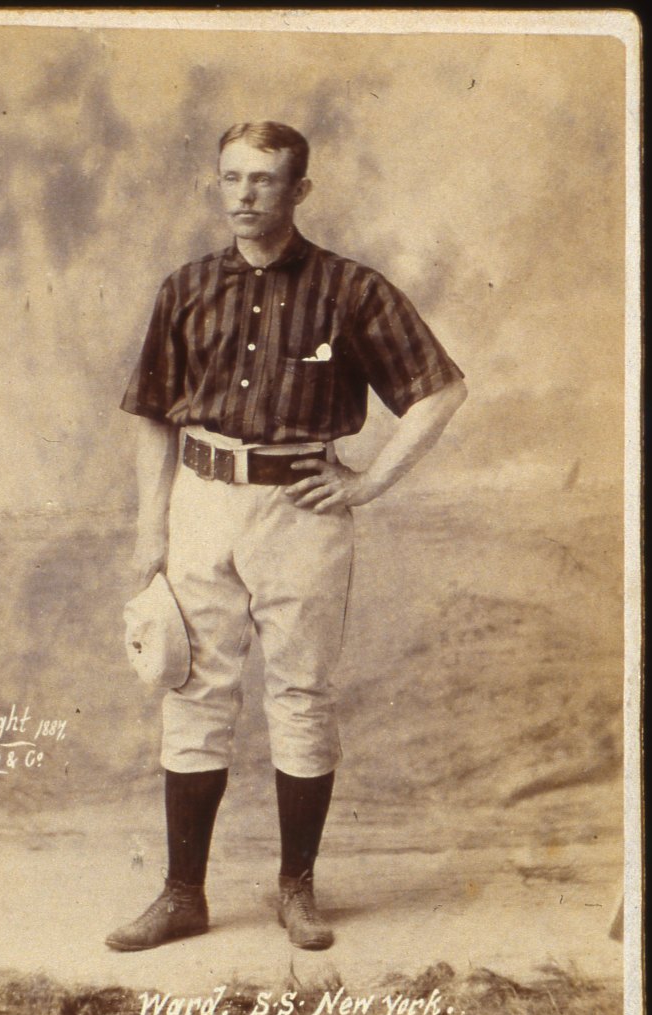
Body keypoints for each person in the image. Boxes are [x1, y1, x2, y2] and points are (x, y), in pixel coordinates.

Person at [107, 121, 466, 953]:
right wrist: (149, 526)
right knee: (192, 690)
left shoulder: (350, 290)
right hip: (201, 500)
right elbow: (153, 413)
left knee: (301, 694)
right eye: (231, 177)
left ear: (298, 190)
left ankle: (296, 890)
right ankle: (182, 895)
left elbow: (439, 390)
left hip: (301, 510)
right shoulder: (186, 286)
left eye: (264, 179)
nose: (244, 194)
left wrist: (367, 482)